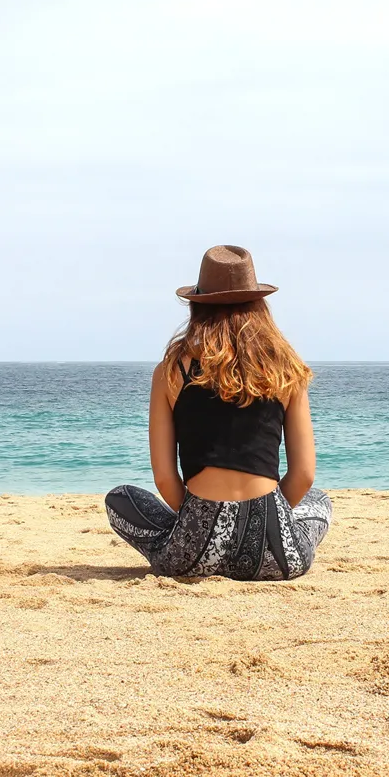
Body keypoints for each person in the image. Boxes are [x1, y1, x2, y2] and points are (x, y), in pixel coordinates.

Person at [105, 245, 332, 580]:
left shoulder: (170, 371)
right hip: (276, 556)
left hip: (194, 554)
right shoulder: (286, 370)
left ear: (197, 306)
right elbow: (304, 477)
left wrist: (202, 519)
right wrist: (265, 516)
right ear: (259, 306)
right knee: (319, 501)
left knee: (119, 498)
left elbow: (166, 479)